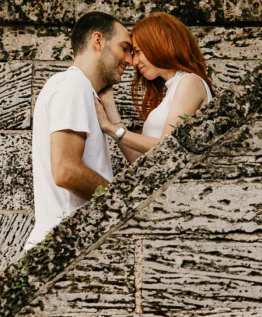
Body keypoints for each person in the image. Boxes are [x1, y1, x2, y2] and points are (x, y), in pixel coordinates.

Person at [24, 12, 132, 251]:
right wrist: (122, 202)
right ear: (98, 41)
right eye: (125, 48)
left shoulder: (83, 91)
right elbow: (66, 171)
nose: (130, 60)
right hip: (64, 248)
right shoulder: (72, 86)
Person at [95, 12, 214, 160]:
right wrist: (108, 101)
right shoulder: (174, 88)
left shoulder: (190, 82)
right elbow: (138, 160)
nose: (134, 62)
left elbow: (168, 147)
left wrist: (110, 128)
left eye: (138, 52)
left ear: (159, 44)